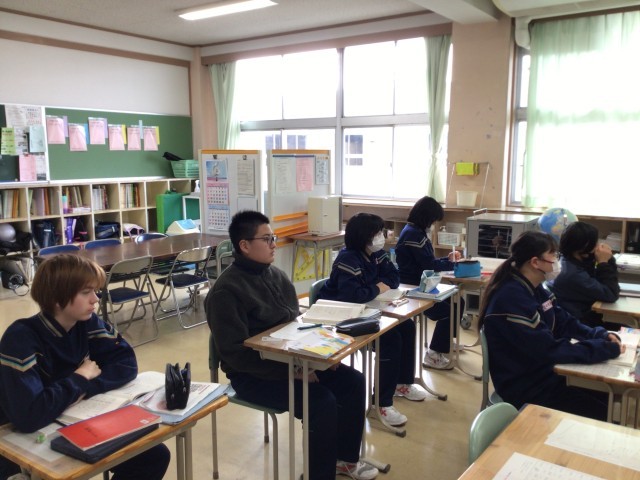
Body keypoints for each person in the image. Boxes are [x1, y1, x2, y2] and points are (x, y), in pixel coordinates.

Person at [205, 211, 377, 480]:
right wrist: (293, 371)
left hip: (294, 360)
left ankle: (344, 460)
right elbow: (236, 355)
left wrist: (321, 357)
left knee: (353, 382)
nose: (274, 244)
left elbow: (295, 324)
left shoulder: (275, 275)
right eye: (266, 239)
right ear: (244, 245)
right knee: (321, 402)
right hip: (253, 376)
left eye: (273, 237)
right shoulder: (226, 292)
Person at [0, 254, 170, 480]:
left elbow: (126, 363)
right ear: (57, 298)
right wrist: (79, 378)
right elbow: (29, 415)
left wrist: (82, 388)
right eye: (85, 292)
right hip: (19, 441)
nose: (95, 299)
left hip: (70, 419)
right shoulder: (21, 338)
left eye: (95, 290)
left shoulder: (85, 322)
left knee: (154, 456)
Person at [478, 231, 624, 421]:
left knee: (607, 398)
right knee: (604, 412)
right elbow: (549, 350)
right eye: (553, 255)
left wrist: (599, 335)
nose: (557, 261)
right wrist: (602, 349)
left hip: (545, 373)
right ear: (535, 262)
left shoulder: (535, 287)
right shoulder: (511, 298)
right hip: (525, 386)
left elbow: (564, 321)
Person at [318, 212, 427, 428]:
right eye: (377, 233)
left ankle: (402, 383)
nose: (381, 237)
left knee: (406, 326)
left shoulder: (376, 254)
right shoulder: (348, 258)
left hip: (368, 309)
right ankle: (381, 404)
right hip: (342, 318)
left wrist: (375, 288)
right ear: (364, 236)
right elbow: (352, 295)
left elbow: (394, 277)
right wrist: (377, 287)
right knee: (390, 339)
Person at [395, 196, 463, 370]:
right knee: (447, 311)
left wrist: (446, 260)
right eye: (433, 220)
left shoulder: (415, 231)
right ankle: (433, 354)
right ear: (426, 217)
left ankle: (445, 342)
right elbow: (428, 265)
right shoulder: (413, 234)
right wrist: (451, 264)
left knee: (458, 301)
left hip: (423, 283)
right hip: (413, 287)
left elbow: (427, 261)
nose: (433, 224)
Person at [550, 221, 620, 328]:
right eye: (595, 243)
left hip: (582, 318)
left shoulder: (569, 260)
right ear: (584, 246)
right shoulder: (572, 275)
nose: (598, 246)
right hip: (579, 326)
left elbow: (602, 283)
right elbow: (611, 294)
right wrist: (603, 263)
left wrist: (607, 260)